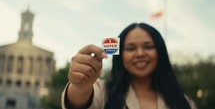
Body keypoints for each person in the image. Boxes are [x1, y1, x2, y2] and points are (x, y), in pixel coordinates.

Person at [61, 23, 197, 109]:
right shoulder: (102, 92)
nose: (140, 53)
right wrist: (80, 87)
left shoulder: (183, 101)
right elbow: (76, 104)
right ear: (120, 55)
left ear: (160, 52)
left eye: (148, 46)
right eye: (131, 48)